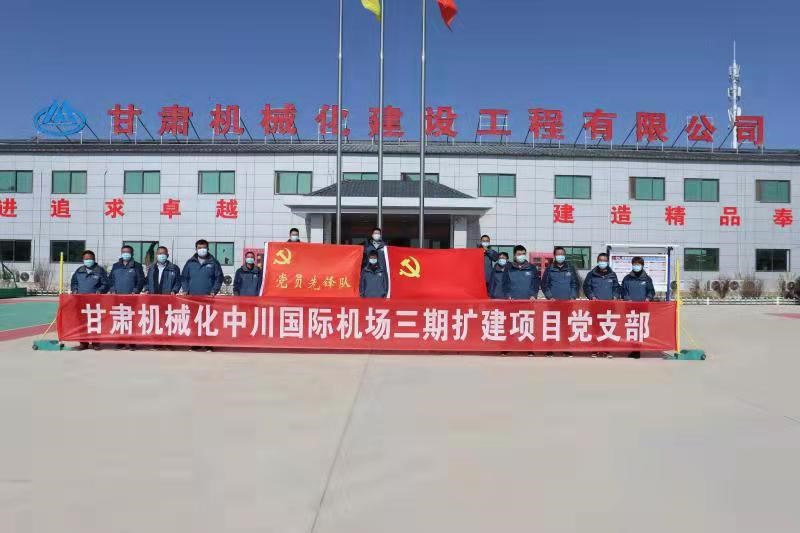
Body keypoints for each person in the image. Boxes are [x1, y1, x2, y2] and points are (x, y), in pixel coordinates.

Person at [181, 239, 224, 352]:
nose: (202, 250)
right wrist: (185, 289)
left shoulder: (213, 262)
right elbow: (184, 278)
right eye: (199, 248)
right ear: (196, 249)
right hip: (193, 298)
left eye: (204, 248)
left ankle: (208, 344)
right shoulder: (190, 263)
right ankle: (196, 343)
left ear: (208, 249)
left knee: (208, 320)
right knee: (194, 321)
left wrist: (214, 291)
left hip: (208, 298)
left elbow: (219, 278)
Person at [541, 246, 579, 356]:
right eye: (558, 254)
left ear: (565, 255)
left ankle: (566, 348)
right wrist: (550, 297)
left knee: (566, 326)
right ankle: (550, 348)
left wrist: (573, 296)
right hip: (553, 304)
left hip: (567, 303)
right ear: (554, 256)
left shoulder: (570, 269)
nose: (560, 256)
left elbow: (575, 284)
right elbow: (544, 285)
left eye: (562, 254)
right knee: (552, 325)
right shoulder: (549, 269)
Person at [583, 252, 621, 358]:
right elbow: (586, 287)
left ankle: (606, 349)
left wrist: (615, 296)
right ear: (597, 261)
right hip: (595, 307)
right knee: (595, 328)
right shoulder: (591, 274)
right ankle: (595, 349)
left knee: (607, 328)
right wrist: (592, 296)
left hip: (609, 308)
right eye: (601, 260)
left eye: (604, 260)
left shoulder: (612, 274)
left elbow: (617, 287)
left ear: (607, 262)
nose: (602, 262)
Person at [108, 245, 146, 350]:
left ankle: (132, 341)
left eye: (128, 252)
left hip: (132, 299)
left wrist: (136, 290)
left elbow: (141, 280)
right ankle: (120, 341)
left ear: (132, 254)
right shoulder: (116, 266)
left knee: (131, 320)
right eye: (123, 252)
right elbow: (110, 280)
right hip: (118, 298)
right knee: (120, 320)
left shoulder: (137, 266)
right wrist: (112, 289)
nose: (125, 254)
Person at [70, 250, 109, 351]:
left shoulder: (100, 270)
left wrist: (100, 290)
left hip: (95, 302)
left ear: (94, 259)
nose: (88, 260)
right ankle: (83, 343)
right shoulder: (79, 271)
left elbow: (106, 284)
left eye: (90, 258)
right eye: (86, 259)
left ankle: (96, 343)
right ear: (83, 260)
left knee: (95, 322)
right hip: (81, 302)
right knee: (82, 322)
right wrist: (74, 290)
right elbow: (74, 283)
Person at [621, 256, 656, 359]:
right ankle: (633, 348)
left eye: (638, 264)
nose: (636, 266)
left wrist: (648, 298)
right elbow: (623, 291)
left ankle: (637, 349)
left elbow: (651, 291)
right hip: (630, 308)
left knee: (640, 329)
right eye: (635, 264)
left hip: (642, 309)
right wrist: (627, 298)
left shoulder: (647, 279)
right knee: (632, 328)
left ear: (642, 265)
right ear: (632, 265)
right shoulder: (627, 278)